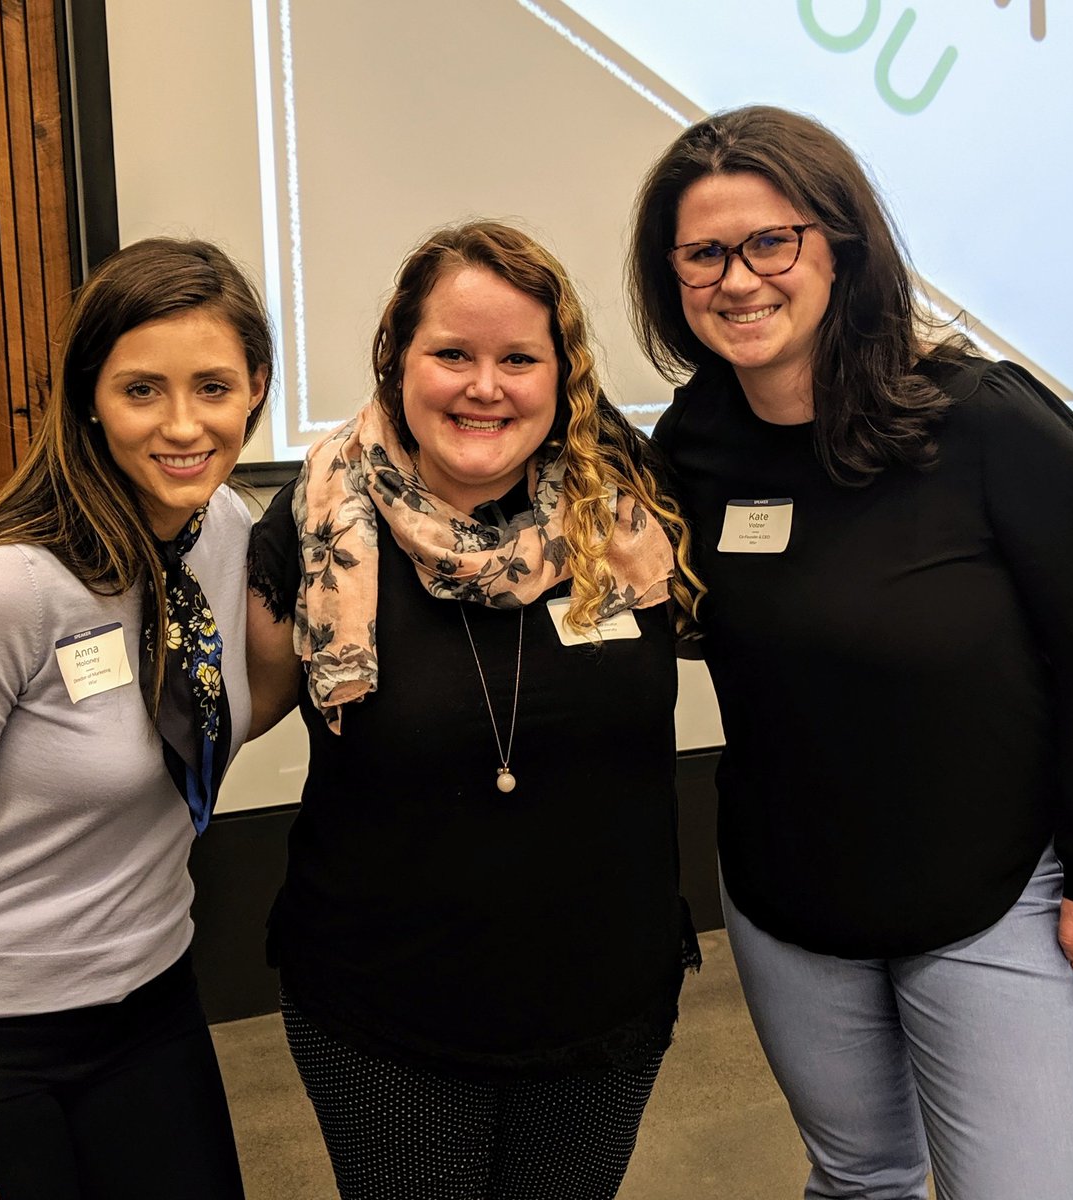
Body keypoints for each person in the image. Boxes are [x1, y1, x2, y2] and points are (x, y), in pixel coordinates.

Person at [626, 103, 1073, 1200]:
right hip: (789, 898)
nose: (736, 279)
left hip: (994, 890)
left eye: (769, 241)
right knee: (859, 1177)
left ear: (840, 248)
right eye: (701, 253)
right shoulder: (692, 443)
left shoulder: (976, 419)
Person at [247, 220, 703, 1200]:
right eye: (451, 353)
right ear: (396, 360)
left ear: (562, 373)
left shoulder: (630, 509)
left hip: (605, 1011)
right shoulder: (317, 523)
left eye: (518, 358)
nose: (483, 385)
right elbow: (222, 716)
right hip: (388, 1024)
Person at [0, 237, 272, 1199]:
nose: (184, 425)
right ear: (87, 399)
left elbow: (200, 714)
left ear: (258, 389)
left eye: (214, 387)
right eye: (142, 389)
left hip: (154, 999)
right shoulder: (3, 595)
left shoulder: (220, 528)